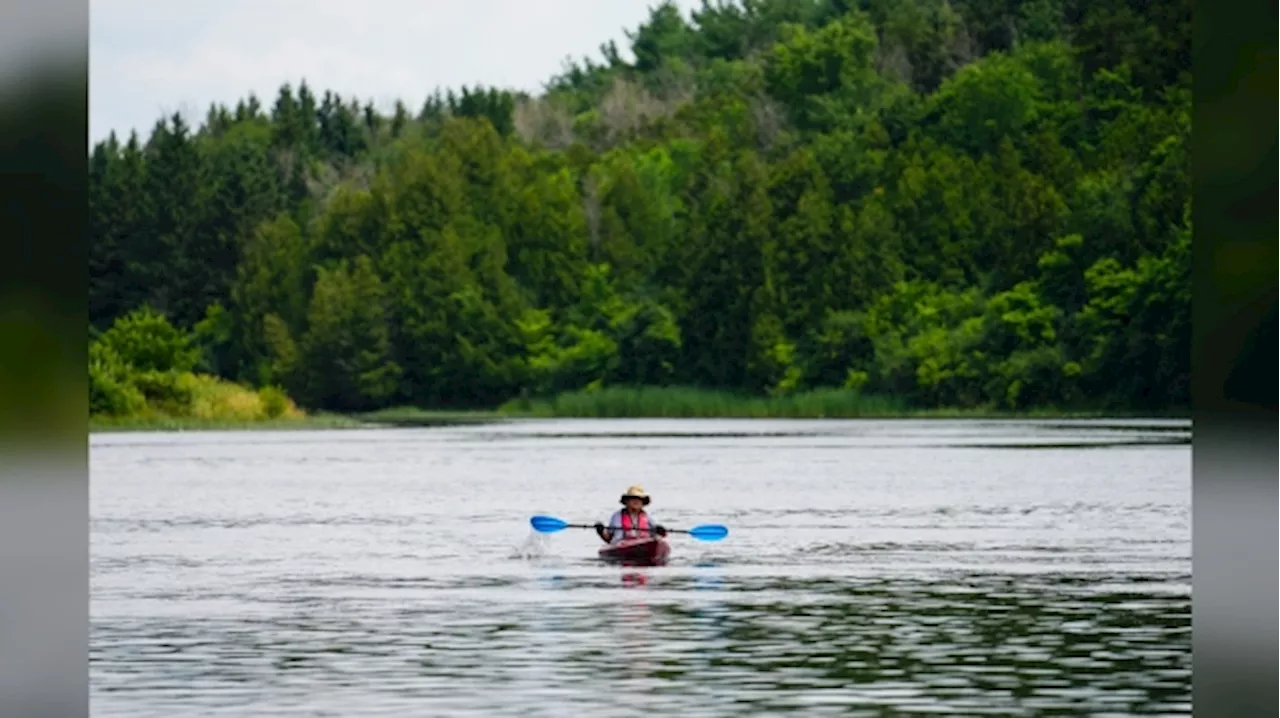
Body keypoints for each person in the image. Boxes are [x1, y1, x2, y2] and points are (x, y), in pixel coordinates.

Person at [595, 485, 668, 544]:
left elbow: (660, 535)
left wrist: (660, 531)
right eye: (632, 498)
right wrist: (601, 531)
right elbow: (608, 538)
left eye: (639, 499)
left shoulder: (647, 517)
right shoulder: (617, 516)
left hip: (644, 542)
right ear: (626, 501)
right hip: (622, 544)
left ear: (642, 503)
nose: (636, 501)